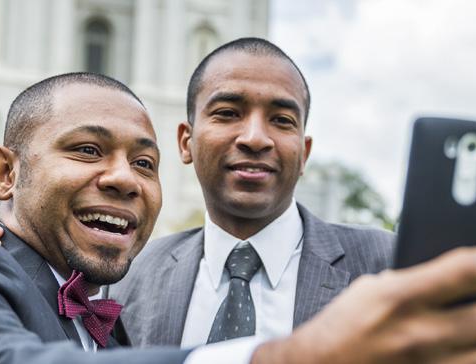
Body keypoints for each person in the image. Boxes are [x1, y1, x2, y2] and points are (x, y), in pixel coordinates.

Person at [0, 71, 476, 363]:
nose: (124, 180)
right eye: (87, 150)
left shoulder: (109, 322)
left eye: (145, 162)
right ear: (4, 173)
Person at [108, 37, 395, 347]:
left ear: (304, 154)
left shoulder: (385, 265)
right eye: (228, 113)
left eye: (282, 120)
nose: (255, 139)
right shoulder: (131, 276)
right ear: (185, 142)